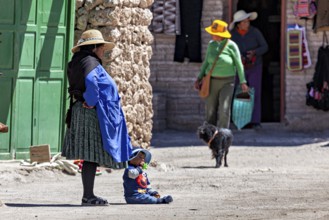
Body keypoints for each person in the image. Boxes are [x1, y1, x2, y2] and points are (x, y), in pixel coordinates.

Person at [62, 29, 133, 206]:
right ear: (94, 47)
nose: (104, 50)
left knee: (89, 155)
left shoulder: (77, 61)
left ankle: (88, 195)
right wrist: (91, 100)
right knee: (91, 154)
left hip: (81, 109)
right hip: (91, 112)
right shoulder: (91, 62)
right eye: (102, 47)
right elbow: (93, 83)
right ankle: (88, 196)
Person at [194, 20, 249, 129]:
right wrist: (199, 77)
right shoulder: (211, 45)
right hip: (211, 81)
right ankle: (210, 135)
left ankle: (223, 135)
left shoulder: (231, 46)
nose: (211, 35)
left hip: (227, 82)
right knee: (210, 110)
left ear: (220, 35)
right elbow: (206, 62)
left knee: (224, 109)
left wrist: (243, 81)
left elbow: (239, 64)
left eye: (214, 33)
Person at [229, 10, 268, 129]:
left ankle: (255, 121)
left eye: (247, 21)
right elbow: (228, 49)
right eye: (244, 22)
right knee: (239, 92)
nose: (247, 24)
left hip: (254, 66)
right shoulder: (232, 35)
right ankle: (239, 121)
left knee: (254, 92)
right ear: (238, 24)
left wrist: (254, 52)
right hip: (238, 67)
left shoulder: (255, 32)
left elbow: (265, 47)